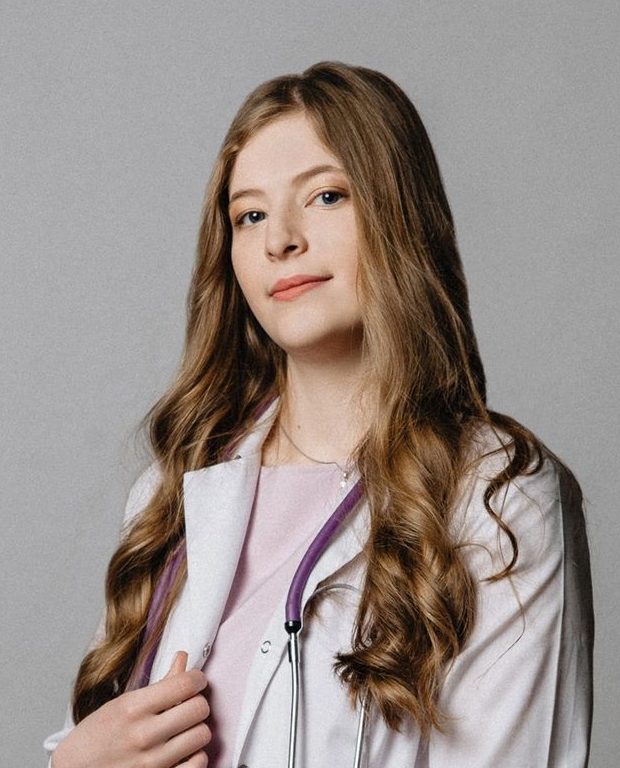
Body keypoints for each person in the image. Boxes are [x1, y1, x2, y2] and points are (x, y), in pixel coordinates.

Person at [45, 61, 594, 767]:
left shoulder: (501, 499)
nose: (280, 239)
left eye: (326, 196)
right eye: (250, 215)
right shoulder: (172, 490)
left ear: (398, 214)